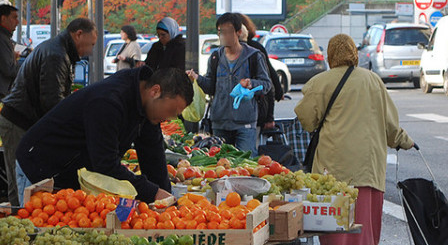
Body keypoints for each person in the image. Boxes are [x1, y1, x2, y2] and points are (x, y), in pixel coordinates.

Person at [295, 33, 414, 245]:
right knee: (366, 215)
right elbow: (390, 126)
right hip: (368, 164)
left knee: (334, 215)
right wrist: (405, 141)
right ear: (354, 53)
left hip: (333, 164)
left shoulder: (320, 83)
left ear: (330, 56)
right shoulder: (373, 81)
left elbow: (306, 121)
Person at [16, 67, 191, 203]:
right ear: (155, 91)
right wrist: (151, 192)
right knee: (43, 235)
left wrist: (167, 200)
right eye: (171, 111)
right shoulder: (108, 101)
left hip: (73, 175)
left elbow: (153, 155)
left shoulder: (147, 107)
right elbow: (105, 164)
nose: (170, 119)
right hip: (40, 168)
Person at [0, 18, 97, 204]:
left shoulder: (59, 50)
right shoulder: (56, 55)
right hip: (18, 122)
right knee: (20, 184)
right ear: (78, 34)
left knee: (24, 184)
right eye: (90, 44)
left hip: (24, 121)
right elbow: (52, 102)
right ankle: (18, 224)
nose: (90, 51)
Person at [187, 12, 271, 153]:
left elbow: (266, 85)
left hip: (245, 123)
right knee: (221, 166)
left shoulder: (254, 56)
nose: (224, 36)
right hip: (219, 122)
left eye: (228, 32)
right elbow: (211, 88)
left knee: (245, 165)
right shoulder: (215, 57)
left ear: (238, 32)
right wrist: (197, 79)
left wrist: (251, 83)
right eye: (221, 32)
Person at [238, 14, 283, 132]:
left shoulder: (254, 50)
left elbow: (267, 80)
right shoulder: (223, 52)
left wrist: (269, 117)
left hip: (254, 111)